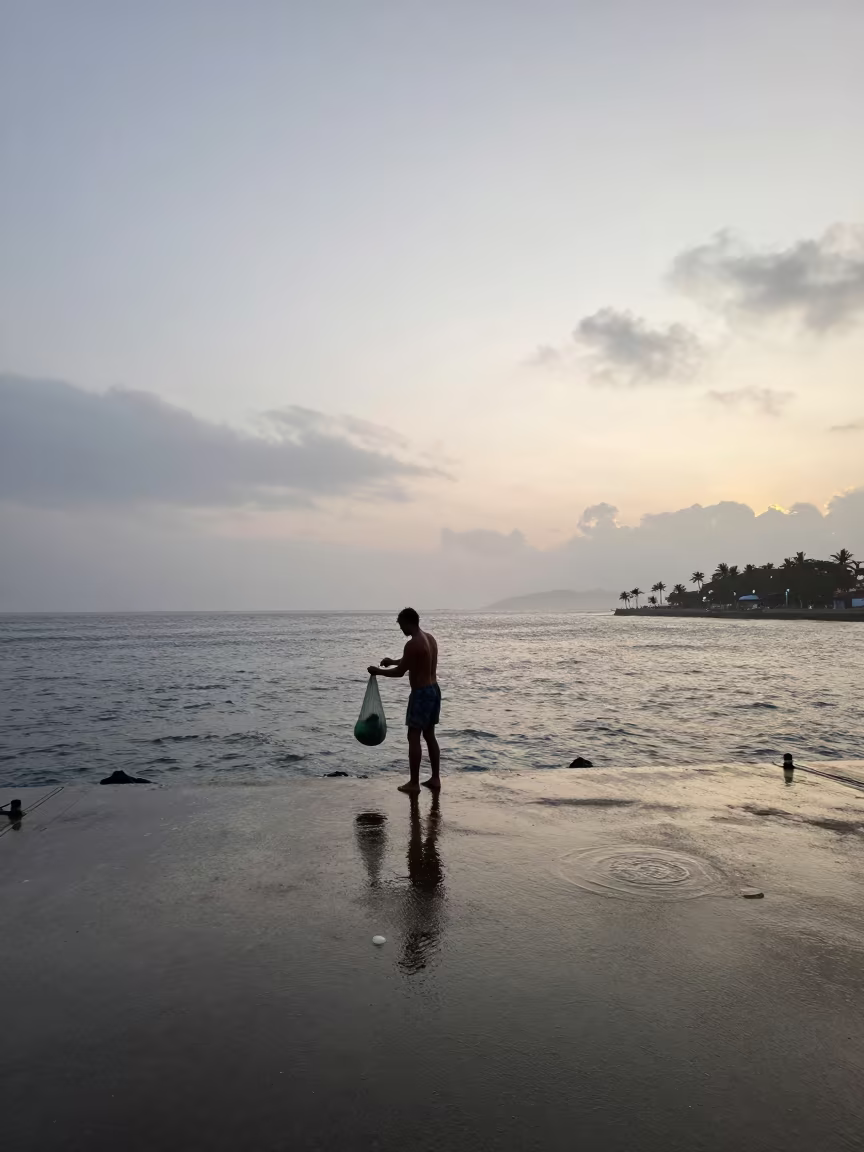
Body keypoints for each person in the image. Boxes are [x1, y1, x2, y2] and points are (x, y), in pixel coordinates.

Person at [368, 608, 441, 793]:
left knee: (413, 736)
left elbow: (400, 672)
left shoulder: (412, 643)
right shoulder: (429, 638)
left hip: (421, 694)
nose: (401, 629)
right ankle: (435, 779)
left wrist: (378, 672)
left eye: (401, 625)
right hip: (434, 690)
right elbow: (410, 661)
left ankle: (414, 783)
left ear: (409, 622)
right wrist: (392, 661)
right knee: (429, 735)